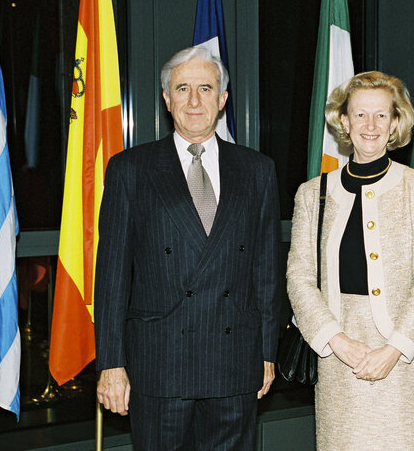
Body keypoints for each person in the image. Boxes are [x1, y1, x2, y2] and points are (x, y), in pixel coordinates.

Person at [94, 45, 281, 450]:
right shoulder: (130, 169)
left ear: (223, 99)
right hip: (160, 363)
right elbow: (111, 276)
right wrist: (111, 362)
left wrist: (267, 351)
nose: (194, 101)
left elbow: (266, 271)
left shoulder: (257, 170)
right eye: (182, 89)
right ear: (166, 99)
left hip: (233, 359)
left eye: (205, 88)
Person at [286, 71, 414, 450]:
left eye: (381, 115)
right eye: (360, 115)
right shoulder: (313, 194)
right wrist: (337, 342)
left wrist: (394, 349)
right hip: (340, 359)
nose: (370, 125)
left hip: (407, 361)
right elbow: (299, 279)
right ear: (344, 121)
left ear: (396, 122)